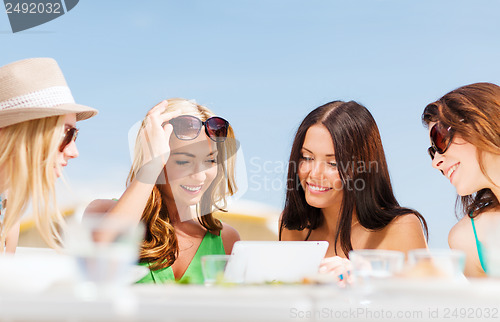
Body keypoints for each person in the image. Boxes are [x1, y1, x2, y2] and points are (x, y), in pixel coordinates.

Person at [85, 98, 239, 284]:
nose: (200, 177)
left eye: (211, 161)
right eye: (184, 161)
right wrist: (150, 167)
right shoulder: (102, 213)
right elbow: (100, 259)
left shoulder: (226, 239)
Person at [280, 100, 428, 281]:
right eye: (307, 157)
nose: (315, 173)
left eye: (333, 163)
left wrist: (365, 277)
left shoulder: (401, 228)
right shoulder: (292, 226)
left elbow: (423, 304)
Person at [0, 57, 98, 253]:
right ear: (20, 135)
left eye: (75, 136)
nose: (73, 152)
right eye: (66, 134)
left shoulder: (8, 204)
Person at [422, 82, 500, 278]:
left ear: (481, 122)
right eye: (432, 153)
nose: (436, 163)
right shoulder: (468, 239)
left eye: (439, 138)